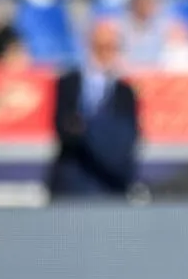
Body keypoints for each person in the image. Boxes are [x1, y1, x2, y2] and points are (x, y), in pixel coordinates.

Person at [48, 18, 140, 200]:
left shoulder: (125, 91)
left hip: (110, 182)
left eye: (111, 47)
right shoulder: (69, 83)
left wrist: (87, 129)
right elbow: (63, 127)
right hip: (72, 181)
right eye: (100, 47)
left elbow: (128, 136)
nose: (105, 54)